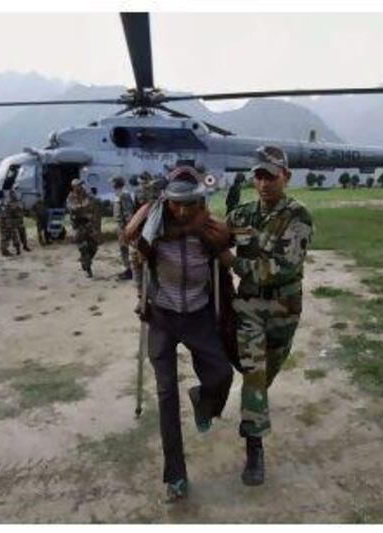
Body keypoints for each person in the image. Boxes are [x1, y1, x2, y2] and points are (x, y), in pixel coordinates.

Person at [124, 166, 234, 503]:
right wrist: (140, 297)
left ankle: (204, 402)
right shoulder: (153, 229)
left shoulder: (209, 230)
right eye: (176, 204)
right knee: (166, 395)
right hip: (163, 316)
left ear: (199, 201)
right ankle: (176, 477)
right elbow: (137, 260)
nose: (182, 210)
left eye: (189, 203)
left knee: (221, 374)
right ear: (166, 201)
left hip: (199, 314)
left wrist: (227, 253)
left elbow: (226, 263)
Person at [213, 145, 314, 486]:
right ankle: (254, 448)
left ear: (286, 176)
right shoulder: (242, 215)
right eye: (258, 176)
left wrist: (233, 262)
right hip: (250, 308)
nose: (264, 182)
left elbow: (282, 268)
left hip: (284, 310)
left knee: (264, 375)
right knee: (254, 375)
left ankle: (253, 403)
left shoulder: (298, 216)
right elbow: (217, 234)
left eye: (271, 176)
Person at [66, 179, 100, 278]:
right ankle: (87, 268)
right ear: (74, 187)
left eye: (81, 185)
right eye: (78, 185)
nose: (81, 187)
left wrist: (85, 207)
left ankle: (85, 259)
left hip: (88, 224)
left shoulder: (87, 194)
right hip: (78, 225)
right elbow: (72, 208)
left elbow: (93, 203)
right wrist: (83, 206)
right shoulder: (70, 197)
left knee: (94, 246)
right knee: (83, 248)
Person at [111, 176, 134, 281]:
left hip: (124, 227)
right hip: (120, 226)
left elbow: (128, 212)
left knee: (125, 249)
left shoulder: (124, 194)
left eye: (113, 182)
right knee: (123, 248)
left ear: (116, 183)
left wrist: (128, 228)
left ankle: (129, 271)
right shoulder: (118, 194)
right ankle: (127, 269)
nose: (111, 184)